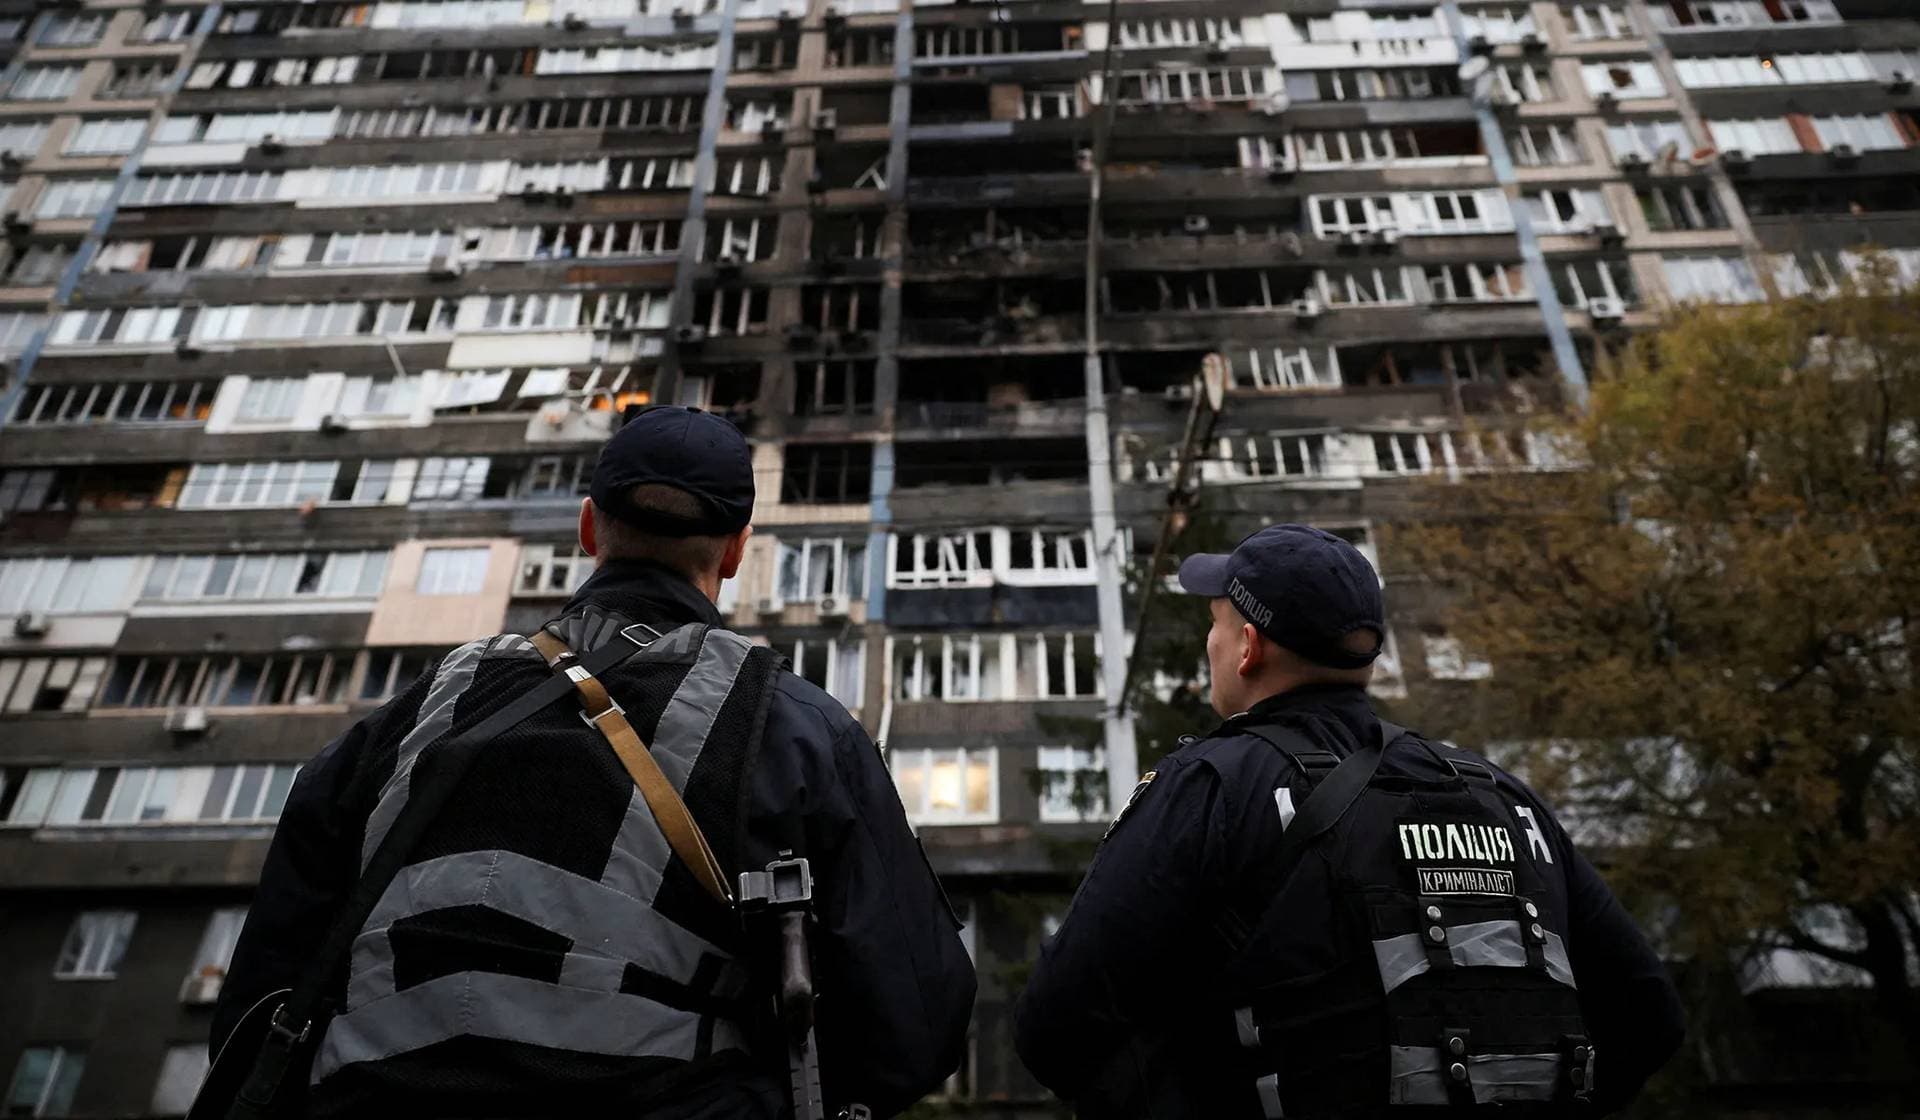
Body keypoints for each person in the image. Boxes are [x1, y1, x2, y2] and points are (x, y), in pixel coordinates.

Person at [215, 406, 976, 1119]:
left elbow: (259, 1003)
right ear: (738, 550)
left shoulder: (408, 717)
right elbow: (913, 1024)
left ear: (588, 527)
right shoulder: (796, 730)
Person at [1014, 524, 1684, 1117]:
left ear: (1248, 646)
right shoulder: (1498, 792)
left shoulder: (1212, 786)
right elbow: (1649, 1015)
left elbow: (1054, 1027)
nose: (1209, 643)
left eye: (1213, 624)